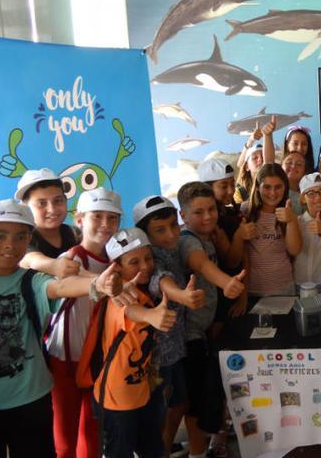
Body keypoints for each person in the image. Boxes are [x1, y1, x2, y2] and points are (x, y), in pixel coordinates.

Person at [0, 200, 120, 458]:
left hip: (30, 402)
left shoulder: (32, 280)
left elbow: (61, 287)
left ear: (29, 240)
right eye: (0, 235)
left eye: (20, 236)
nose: (10, 244)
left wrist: (98, 284)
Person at [49, 188, 123, 458]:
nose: (105, 224)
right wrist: (97, 282)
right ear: (79, 219)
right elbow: (61, 286)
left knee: (92, 434)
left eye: (112, 218)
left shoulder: (117, 261)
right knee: (64, 439)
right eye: (97, 216)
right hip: (64, 358)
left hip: (97, 359)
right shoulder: (70, 259)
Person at [176, 182, 247, 458]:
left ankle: (199, 448)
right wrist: (226, 283)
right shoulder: (188, 240)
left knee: (199, 398)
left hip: (202, 329)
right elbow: (200, 264)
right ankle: (196, 453)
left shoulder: (208, 236)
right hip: (189, 334)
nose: (207, 217)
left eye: (211, 210)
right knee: (193, 402)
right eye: (198, 212)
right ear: (183, 216)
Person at [132, 195, 207, 457]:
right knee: (162, 411)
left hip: (175, 349)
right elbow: (161, 280)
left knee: (178, 404)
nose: (171, 234)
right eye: (160, 230)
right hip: (158, 356)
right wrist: (183, 296)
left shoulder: (174, 249)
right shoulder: (152, 258)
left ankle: (164, 446)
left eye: (173, 225)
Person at [92, 227, 172, 458]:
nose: (145, 266)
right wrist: (151, 316)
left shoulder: (143, 292)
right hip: (116, 400)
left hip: (142, 391)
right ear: (116, 268)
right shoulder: (118, 296)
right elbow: (130, 311)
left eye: (148, 258)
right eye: (134, 262)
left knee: (153, 450)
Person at [229, 164, 301, 296]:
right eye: (267, 187)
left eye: (278, 187)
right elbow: (234, 260)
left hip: (284, 288)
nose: (272, 193)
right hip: (251, 291)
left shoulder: (289, 212)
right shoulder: (244, 211)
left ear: (285, 187)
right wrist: (239, 235)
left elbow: (294, 250)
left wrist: (291, 221)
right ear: (257, 187)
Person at [293, 173, 321, 288]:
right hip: (301, 281)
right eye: (311, 193)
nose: (318, 197)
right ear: (303, 198)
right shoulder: (297, 222)